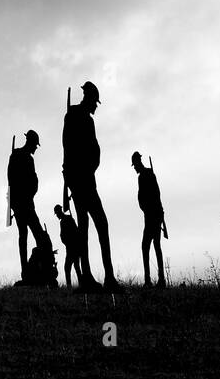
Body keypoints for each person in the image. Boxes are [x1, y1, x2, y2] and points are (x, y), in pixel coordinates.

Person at [61, 82, 121, 292]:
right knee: (91, 224)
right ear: (89, 99)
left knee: (94, 224)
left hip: (86, 178)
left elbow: (91, 149)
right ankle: (90, 276)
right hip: (80, 179)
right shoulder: (75, 117)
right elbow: (68, 149)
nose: (96, 106)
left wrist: (89, 167)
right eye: (95, 102)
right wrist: (72, 175)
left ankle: (106, 276)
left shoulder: (85, 119)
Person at [8, 131, 45, 283]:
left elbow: (10, 180)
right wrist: (28, 194)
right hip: (26, 204)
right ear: (30, 142)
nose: (36, 149)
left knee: (23, 237)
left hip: (18, 204)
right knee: (38, 236)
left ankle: (27, 272)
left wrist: (13, 204)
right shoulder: (27, 159)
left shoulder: (15, 156)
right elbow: (30, 181)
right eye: (35, 145)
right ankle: (37, 272)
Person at [132, 152, 166, 288]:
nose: (134, 168)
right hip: (156, 214)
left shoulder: (143, 176)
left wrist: (147, 208)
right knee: (156, 246)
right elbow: (157, 194)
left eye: (134, 165)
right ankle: (161, 280)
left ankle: (148, 281)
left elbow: (149, 196)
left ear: (138, 163)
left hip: (152, 215)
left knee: (145, 246)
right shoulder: (149, 174)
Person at [53, 205, 82, 289]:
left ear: (59, 212)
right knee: (76, 267)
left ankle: (70, 286)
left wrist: (68, 241)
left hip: (72, 247)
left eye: (57, 214)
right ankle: (79, 284)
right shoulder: (66, 219)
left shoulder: (66, 220)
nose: (57, 216)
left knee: (68, 267)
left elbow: (75, 232)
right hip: (71, 247)